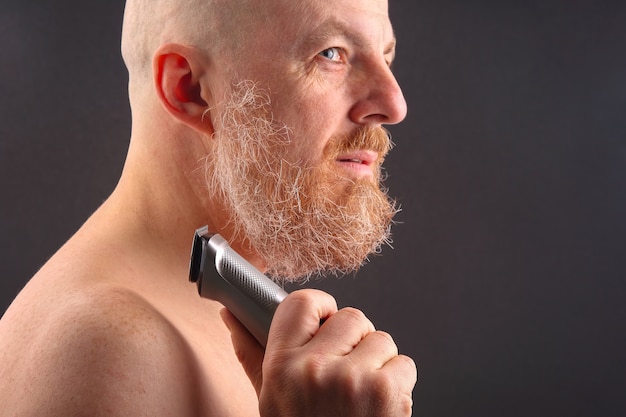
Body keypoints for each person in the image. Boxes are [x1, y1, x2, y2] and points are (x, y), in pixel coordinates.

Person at [0, 0, 417, 415]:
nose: (393, 104)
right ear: (190, 89)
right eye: (331, 54)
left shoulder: (215, 308)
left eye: (385, 55)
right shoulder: (111, 348)